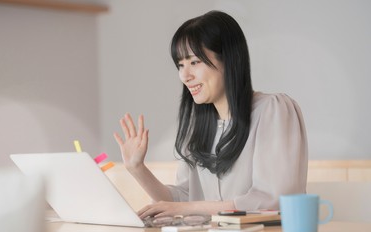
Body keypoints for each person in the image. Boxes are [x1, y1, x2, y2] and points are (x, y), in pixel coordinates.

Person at [114, 10, 308, 220]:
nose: (185, 76)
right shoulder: (197, 128)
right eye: (180, 65)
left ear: (229, 59)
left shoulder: (273, 110)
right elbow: (183, 201)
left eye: (194, 62)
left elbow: (273, 200)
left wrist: (186, 209)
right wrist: (137, 168)